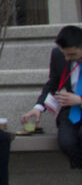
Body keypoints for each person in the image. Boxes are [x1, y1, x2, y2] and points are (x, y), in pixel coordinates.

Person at [21, 25, 82, 168]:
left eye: (72, 55)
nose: (67, 58)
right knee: (67, 142)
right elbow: (53, 83)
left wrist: (79, 100)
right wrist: (39, 107)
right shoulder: (58, 56)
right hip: (71, 112)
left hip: (77, 103)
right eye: (64, 54)